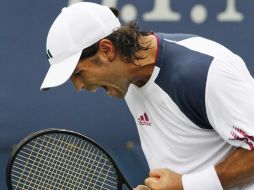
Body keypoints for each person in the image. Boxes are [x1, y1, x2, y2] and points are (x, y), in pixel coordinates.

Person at [40, 2, 254, 190]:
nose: (79, 86)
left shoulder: (203, 73)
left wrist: (186, 185)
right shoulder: (128, 79)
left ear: (106, 50)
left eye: (78, 73)